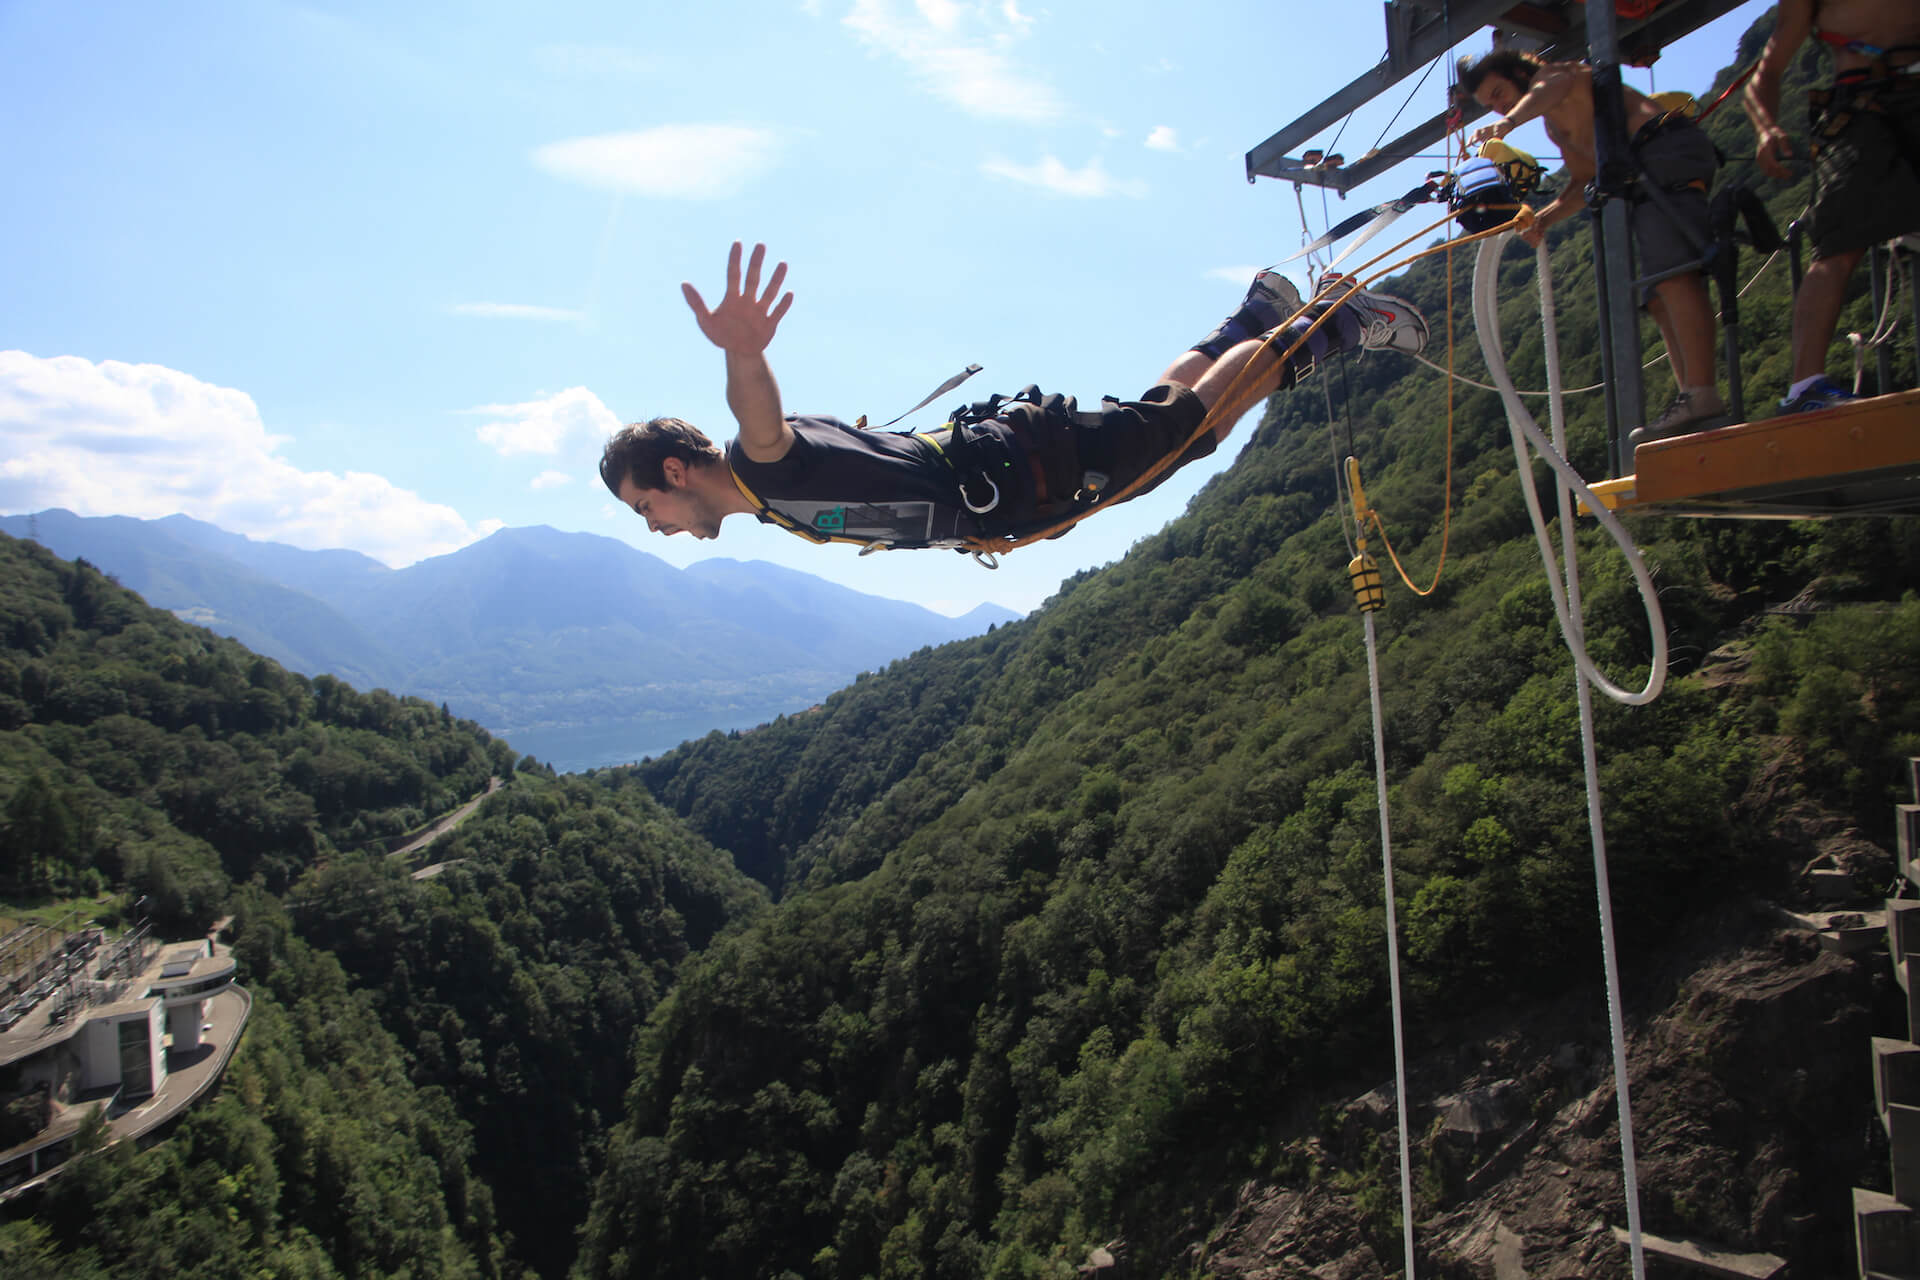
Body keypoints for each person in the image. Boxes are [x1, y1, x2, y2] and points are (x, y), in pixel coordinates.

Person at [599, 242, 1428, 553]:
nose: (657, 528)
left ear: (675, 471)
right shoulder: (773, 502)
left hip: (1033, 469)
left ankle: (1336, 323)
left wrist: (745, 357)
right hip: (1024, 463)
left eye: (646, 508)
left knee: (1194, 429)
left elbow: (760, 425)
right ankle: (1255, 317)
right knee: (1166, 418)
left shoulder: (763, 470)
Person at [1462, 49, 1722, 442]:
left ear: (1519, 73)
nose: (1499, 107)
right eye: (1491, 105)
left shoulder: (1561, 74)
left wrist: (1508, 125)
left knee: (1674, 277)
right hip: (1644, 174)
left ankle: (1701, 394)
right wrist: (1543, 219)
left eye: (1499, 93)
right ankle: (1693, 397)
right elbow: (1585, 179)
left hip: (1663, 149)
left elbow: (1553, 87)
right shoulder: (1554, 125)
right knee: (1656, 295)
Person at [1742, 0, 1920, 412]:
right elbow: (1764, 74)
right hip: (1860, 107)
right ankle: (1805, 386)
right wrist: (1766, 128)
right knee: (1837, 244)